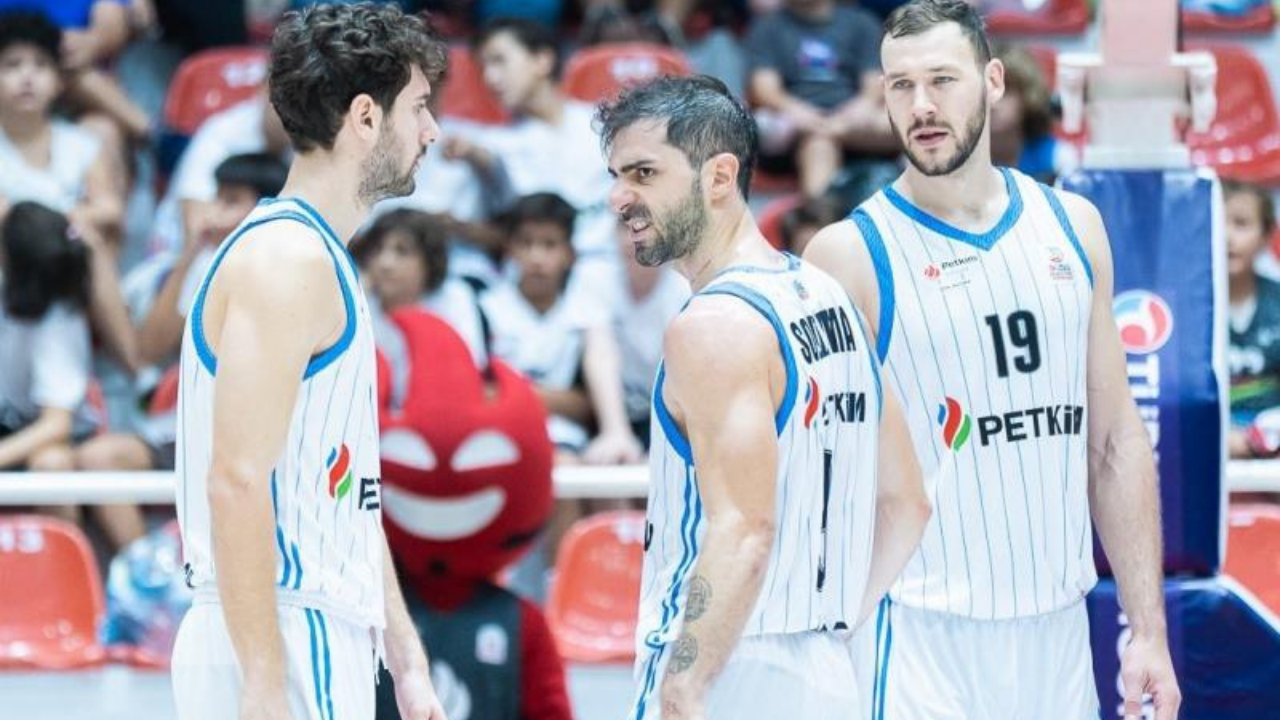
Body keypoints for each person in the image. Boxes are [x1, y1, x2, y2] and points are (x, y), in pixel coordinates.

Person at [801, 2, 1181, 719]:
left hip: (1057, 635)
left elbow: (1113, 443)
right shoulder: (846, 255)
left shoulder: (1073, 227)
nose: (921, 105)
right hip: (916, 638)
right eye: (900, 85)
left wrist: (1149, 632)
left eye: (942, 80)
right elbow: (813, 470)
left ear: (994, 81)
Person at [598, 74, 929, 720]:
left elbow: (745, 530)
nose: (619, 198)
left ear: (720, 176)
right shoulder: (828, 295)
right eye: (615, 176)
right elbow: (908, 504)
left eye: (643, 174)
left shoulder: (713, 326)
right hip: (825, 671)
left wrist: (685, 686)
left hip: (726, 670)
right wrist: (831, 625)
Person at [169, 4, 449, 720]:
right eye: (419, 107)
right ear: (365, 117)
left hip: (308, 627)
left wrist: (406, 658)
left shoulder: (313, 255)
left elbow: (349, 493)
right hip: (282, 630)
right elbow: (236, 480)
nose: (431, 131)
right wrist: (264, 685)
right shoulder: (288, 260)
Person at [1223, 180, 1280, 458]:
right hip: (1204, 448)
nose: (1227, 237)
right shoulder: (1184, 308)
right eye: (1217, 222)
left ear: (1266, 235)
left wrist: (1266, 435)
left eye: (1241, 224)